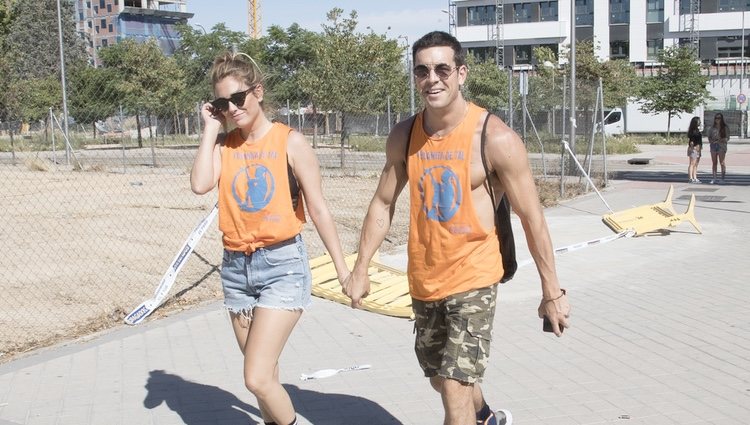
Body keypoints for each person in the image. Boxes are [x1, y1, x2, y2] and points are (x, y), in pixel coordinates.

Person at [343, 31, 570, 425]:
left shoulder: (494, 137)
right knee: (439, 377)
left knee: (453, 388)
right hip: (425, 279)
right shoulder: (404, 136)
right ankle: (484, 416)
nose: (433, 78)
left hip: (475, 278)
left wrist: (552, 290)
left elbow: (532, 217)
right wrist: (361, 267)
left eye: (442, 68)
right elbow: (383, 202)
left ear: (461, 73)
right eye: (423, 70)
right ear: (415, 77)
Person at [190, 52, 350, 425]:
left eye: (237, 99)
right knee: (267, 376)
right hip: (235, 270)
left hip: (282, 266)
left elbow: (319, 210)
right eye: (221, 103)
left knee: (256, 377)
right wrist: (210, 128)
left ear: (257, 92)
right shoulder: (224, 145)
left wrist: (344, 271)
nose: (231, 109)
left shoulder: (289, 142)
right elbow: (199, 184)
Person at [707, 112, 728, 184]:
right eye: (716, 118)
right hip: (713, 146)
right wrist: (711, 141)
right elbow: (709, 137)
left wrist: (720, 140)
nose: (717, 120)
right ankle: (714, 178)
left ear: (721, 119)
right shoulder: (712, 128)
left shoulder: (725, 127)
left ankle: (722, 178)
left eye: (719, 118)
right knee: (714, 162)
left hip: (721, 146)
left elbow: (727, 138)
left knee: (722, 162)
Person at [686, 116, 702, 183]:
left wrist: (700, 149)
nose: (700, 122)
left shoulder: (697, 130)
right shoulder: (693, 131)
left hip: (698, 149)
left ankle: (695, 177)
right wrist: (693, 148)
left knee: (696, 164)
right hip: (694, 148)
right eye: (699, 121)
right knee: (692, 163)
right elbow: (692, 141)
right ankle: (690, 178)